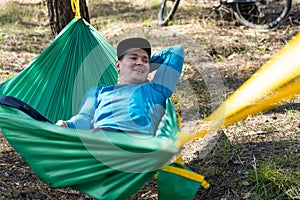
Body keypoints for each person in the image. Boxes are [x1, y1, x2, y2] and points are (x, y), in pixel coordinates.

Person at [56, 37, 184, 135]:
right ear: (118, 65)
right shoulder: (98, 92)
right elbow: (85, 118)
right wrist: (68, 125)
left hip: (137, 144)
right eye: (133, 58)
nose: (140, 62)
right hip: (101, 141)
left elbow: (176, 52)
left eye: (145, 60)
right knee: (36, 119)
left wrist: (142, 68)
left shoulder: (156, 90)